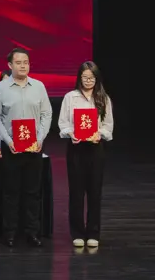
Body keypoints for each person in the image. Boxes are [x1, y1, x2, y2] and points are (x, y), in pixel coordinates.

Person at [0, 48, 53, 247]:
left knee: (33, 192)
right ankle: (10, 233)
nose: (23, 66)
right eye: (18, 62)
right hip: (11, 147)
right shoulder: (0, 88)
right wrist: (8, 140)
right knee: (11, 192)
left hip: (34, 147)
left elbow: (46, 114)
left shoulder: (39, 86)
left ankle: (32, 232)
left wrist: (40, 139)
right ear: (10, 65)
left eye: (26, 62)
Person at [58, 61, 114, 248]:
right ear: (79, 78)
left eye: (92, 77)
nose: (88, 81)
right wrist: (71, 133)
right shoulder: (70, 97)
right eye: (85, 77)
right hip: (76, 148)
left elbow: (108, 125)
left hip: (95, 149)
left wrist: (100, 134)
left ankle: (93, 233)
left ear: (97, 79)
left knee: (94, 192)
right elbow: (63, 123)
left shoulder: (103, 98)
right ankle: (77, 233)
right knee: (76, 192)